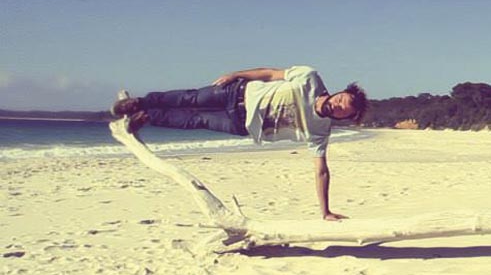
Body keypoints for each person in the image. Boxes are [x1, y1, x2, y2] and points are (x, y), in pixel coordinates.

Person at [111, 66, 367, 221]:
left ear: (345, 117)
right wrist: (236, 74)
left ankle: (145, 117)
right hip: (238, 92)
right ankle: (139, 103)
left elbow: (321, 170)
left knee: (195, 120)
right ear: (340, 92)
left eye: (344, 110)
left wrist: (326, 211)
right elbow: (270, 73)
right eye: (342, 99)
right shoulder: (309, 78)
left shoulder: (320, 130)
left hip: (241, 124)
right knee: (188, 98)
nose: (338, 105)